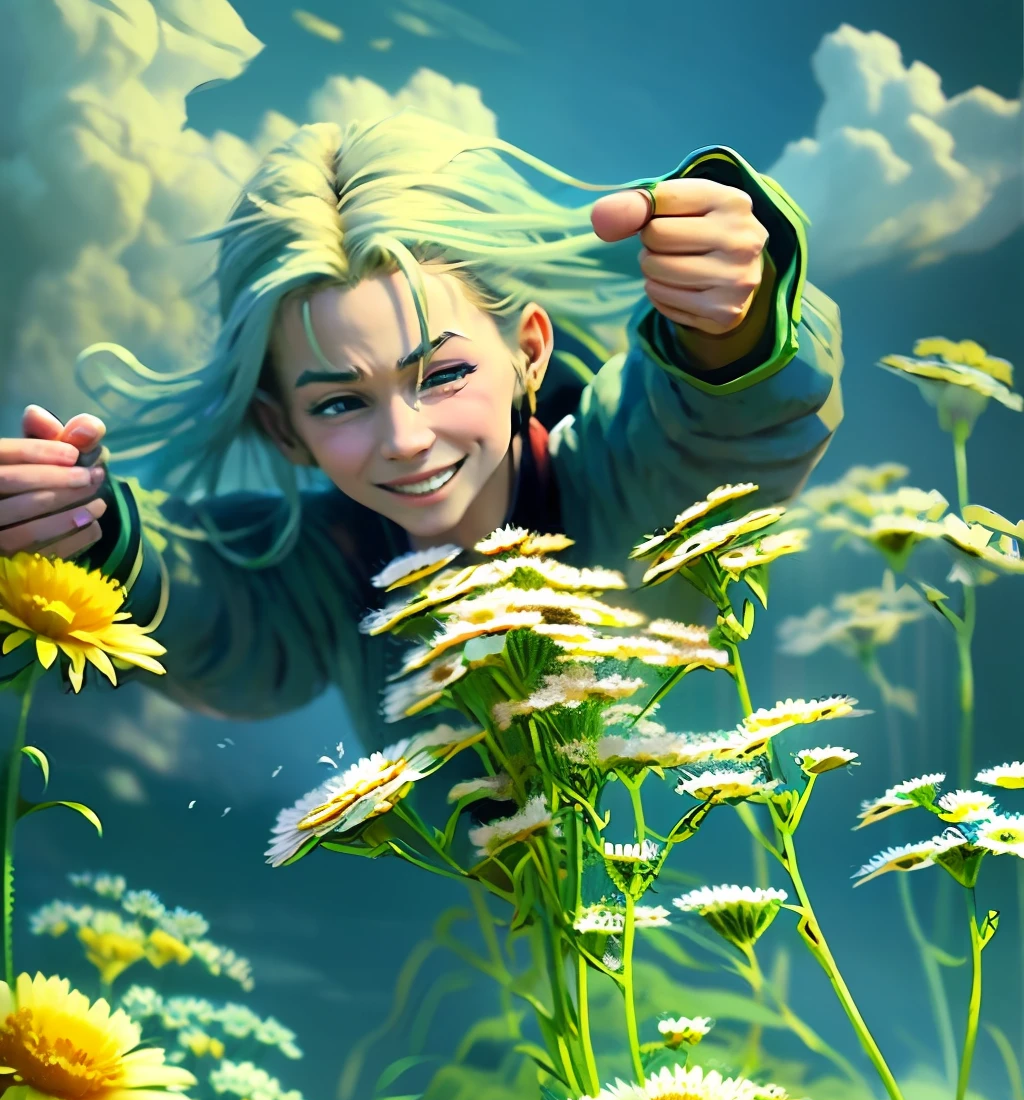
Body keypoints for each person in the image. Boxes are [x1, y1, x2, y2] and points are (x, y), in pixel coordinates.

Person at [0, 115, 842, 746]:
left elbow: (718, 427)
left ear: (529, 351)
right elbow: (219, 606)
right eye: (339, 403)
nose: (403, 437)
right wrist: (80, 527)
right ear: (283, 428)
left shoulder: (619, 476)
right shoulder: (330, 570)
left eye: (440, 376)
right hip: (468, 957)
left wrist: (734, 313)